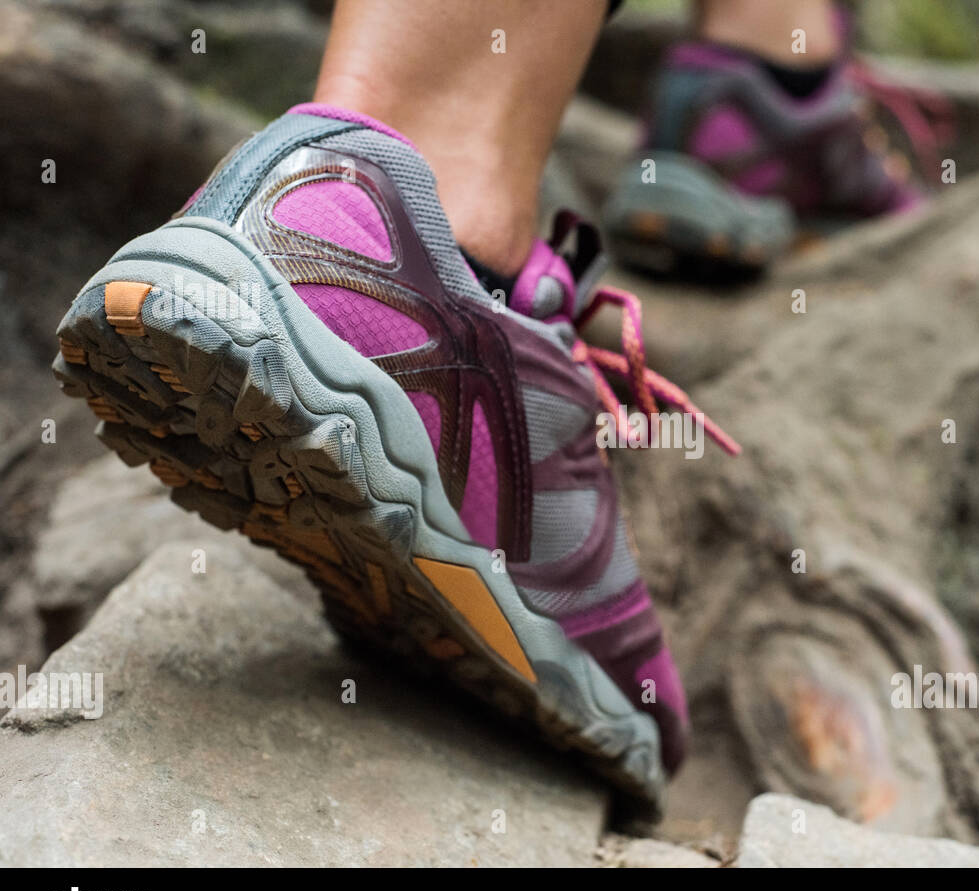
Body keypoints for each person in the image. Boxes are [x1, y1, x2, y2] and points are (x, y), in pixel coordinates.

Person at [52, 0, 929, 808]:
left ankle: (765, 62)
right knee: (430, 151)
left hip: (277, 199)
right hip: (402, 262)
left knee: (777, 36)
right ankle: (440, 227)